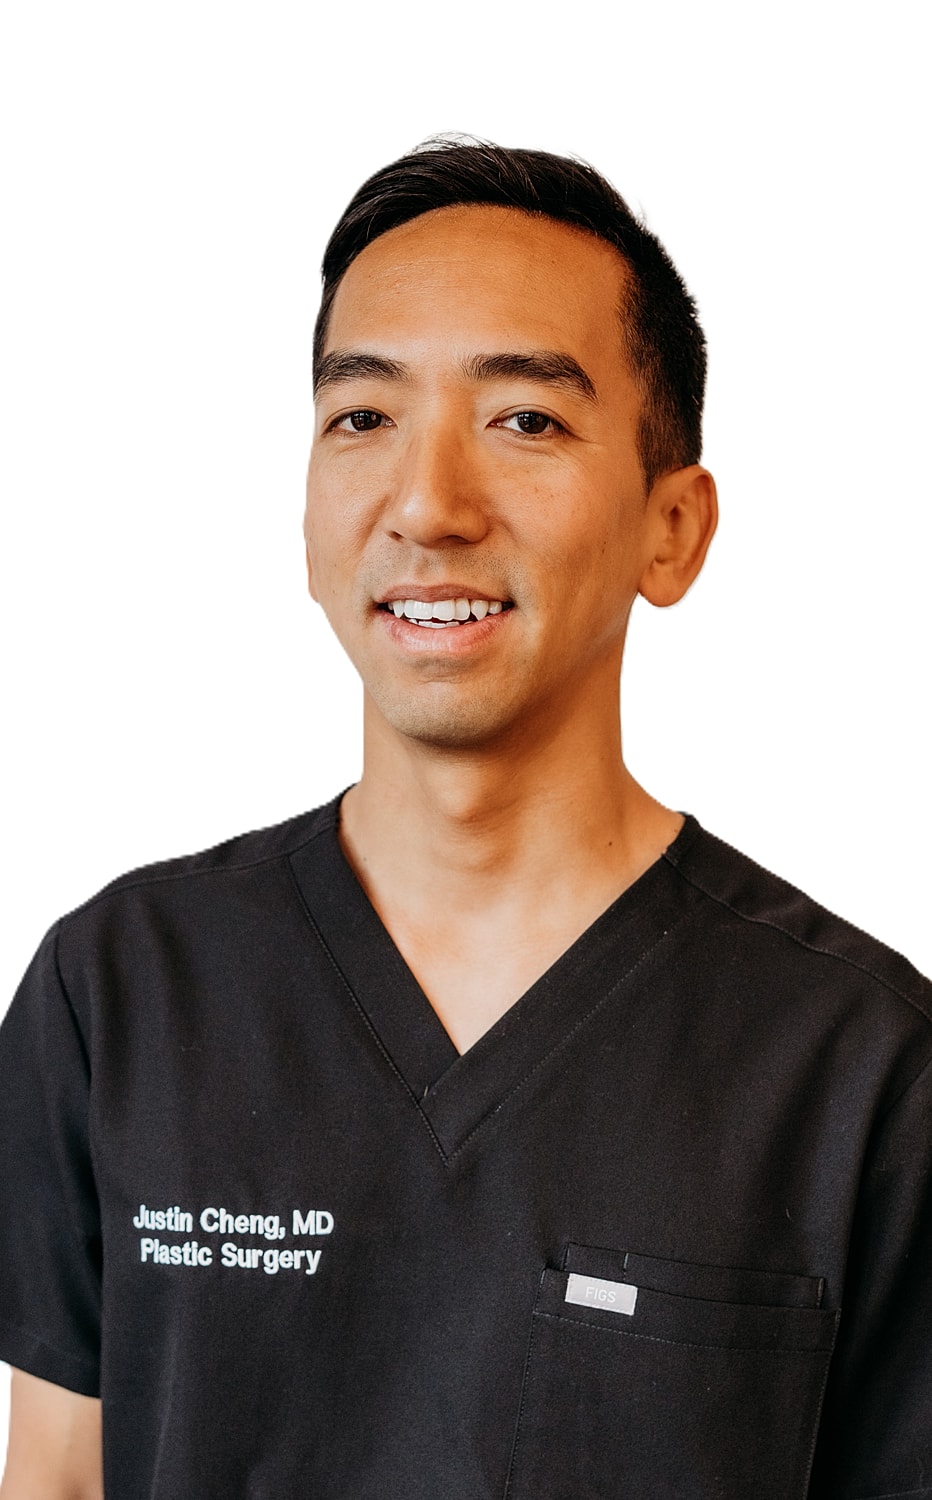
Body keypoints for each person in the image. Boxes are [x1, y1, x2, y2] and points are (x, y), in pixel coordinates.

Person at [1, 138, 930, 1500]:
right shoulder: (123, 992)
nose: (428, 505)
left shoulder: (860, 1070)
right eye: (363, 418)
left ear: (673, 529)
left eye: (527, 420)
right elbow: (57, 1478)